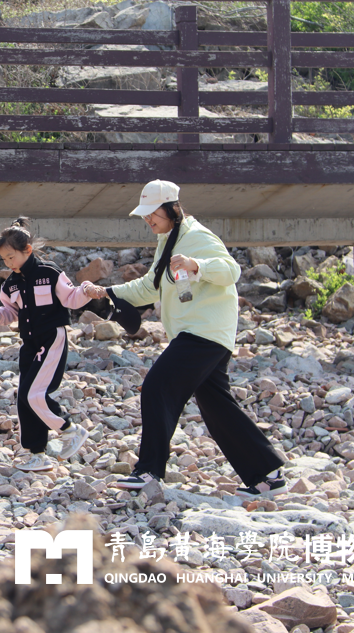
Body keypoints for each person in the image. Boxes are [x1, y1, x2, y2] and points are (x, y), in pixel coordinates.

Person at [86, 180, 287, 498]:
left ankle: (149, 471)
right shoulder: (168, 240)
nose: (148, 219)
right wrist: (106, 292)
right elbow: (149, 288)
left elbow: (231, 271)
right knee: (216, 406)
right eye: (145, 214)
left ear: (171, 208)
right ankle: (268, 474)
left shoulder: (197, 236)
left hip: (203, 332)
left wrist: (197, 265)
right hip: (201, 333)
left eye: (152, 213)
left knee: (157, 386)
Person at [0, 218, 98, 472]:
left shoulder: (49, 273)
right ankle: (36, 454)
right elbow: (11, 311)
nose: (8, 263)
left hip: (51, 338)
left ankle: (70, 429)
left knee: (35, 395)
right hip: (29, 342)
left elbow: (71, 298)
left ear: (27, 250)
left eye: (11, 257)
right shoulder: (10, 284)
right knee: (24, 398)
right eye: (4, 259)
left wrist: (86, 290)